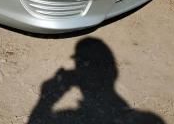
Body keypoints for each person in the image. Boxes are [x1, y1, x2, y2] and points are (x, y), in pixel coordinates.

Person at [28, 38, 165, 124]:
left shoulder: (67, 116)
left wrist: (45, 99)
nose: (78, 68)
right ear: (113, 73)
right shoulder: (147, 118)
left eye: (82, 64)